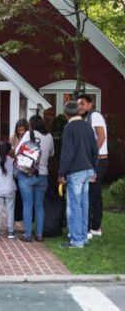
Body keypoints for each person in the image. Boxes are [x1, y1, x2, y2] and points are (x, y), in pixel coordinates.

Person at [58, 101, 98, 248]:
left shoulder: (69, 128)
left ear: (65, 113)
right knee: (83, 205)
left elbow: (67, 153)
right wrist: (94, 169)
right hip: (88, 169)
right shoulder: (87, 126)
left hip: (75, 171)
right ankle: (82, 237)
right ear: (79, 111)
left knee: (75, 206)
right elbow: (95, 150)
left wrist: (61, 173)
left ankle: (77, 241)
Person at [15, 115, 54, 242]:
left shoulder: (28, 134)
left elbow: (17, 151)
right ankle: (39, 234)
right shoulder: (49, 136)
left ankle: (27, 234)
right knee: (39, 206)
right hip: (43, 174)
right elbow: (52, 153)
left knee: (27, 204)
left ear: (31, 125)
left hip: (28, 173)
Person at [78, 94, 108, 237]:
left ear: (90, 104)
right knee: (96, 195)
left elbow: (101, 136)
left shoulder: (95, 116)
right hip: (99, 160)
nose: (80, 106)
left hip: (98, 160)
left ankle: (88, 229)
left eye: (83, 103)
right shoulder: (89, 117)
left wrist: (92, 156)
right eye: (78, 104)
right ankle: (96, 227)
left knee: (90, 194)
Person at [0, 142, 17, 239]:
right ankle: (10, 231)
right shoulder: (13, 161)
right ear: (9, 150)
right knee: (10, 210)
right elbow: (16, 174)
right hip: (10, 188)